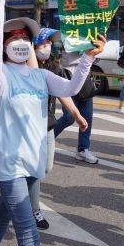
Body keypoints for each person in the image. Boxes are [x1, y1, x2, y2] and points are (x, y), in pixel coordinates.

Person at [0, 0, 105, 246]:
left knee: (2, 216)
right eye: (14, 39)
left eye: (26, 39)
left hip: (33, 163)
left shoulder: (41, 76)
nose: (21, 43)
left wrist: (87, 58)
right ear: (4, 46)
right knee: (27, 231)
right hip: (10, 165)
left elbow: (71, 89)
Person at [29, 27, 87, 230]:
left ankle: (19, 196)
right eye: (43, 43)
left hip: (48, 125)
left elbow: (64, 92)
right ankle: (34, 210)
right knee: (36, 171)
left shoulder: (54, 66)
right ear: (32, 45)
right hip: (29, 128)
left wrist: (76, 114)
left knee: (46, 167)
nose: (47, 46)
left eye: (48, 43)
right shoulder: (25, 67)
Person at [53, 46, 98, 164]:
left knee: (87, 117)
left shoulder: (91, 34)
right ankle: (46, 140)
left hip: (85, 79)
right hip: (68, 76)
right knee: (69, 117)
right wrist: (82, 48)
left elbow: (97, 59)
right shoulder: (69, 33)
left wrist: (96, 50)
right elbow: (64, 55)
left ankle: (83, 149)